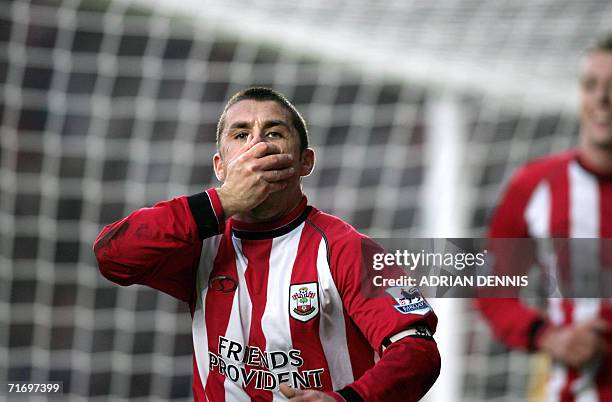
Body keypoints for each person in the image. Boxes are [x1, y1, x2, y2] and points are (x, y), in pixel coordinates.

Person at [94, 87, 440, 402]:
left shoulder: (349, 249)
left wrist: (348, 401)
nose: (258, 146)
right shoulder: (200, 244)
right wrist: (222, 201)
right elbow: (113, 257)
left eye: (274, 133)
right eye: (241, 134)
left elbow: (417, 351)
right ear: (220, 166)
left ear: (306, 161)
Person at [475, 33, 612, 401]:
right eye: (591, 85)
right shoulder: (534, 186)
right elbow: (491, 288)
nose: (602, 98)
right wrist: (548, 336)